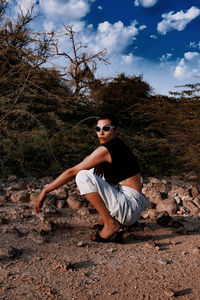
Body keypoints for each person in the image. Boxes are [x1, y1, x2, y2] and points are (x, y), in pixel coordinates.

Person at [35, 113, 150, 243]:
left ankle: (110, 223)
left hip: (129, 207)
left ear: (116, 130)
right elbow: (88, 160)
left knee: (82, 175)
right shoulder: (117, 145)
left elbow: (72, 172)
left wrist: (45, 190)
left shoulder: (107, 149)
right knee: (90, 167)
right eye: (98, 129)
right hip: (130, 206)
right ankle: (110, 218)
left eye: (106, 128)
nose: (101, 133)